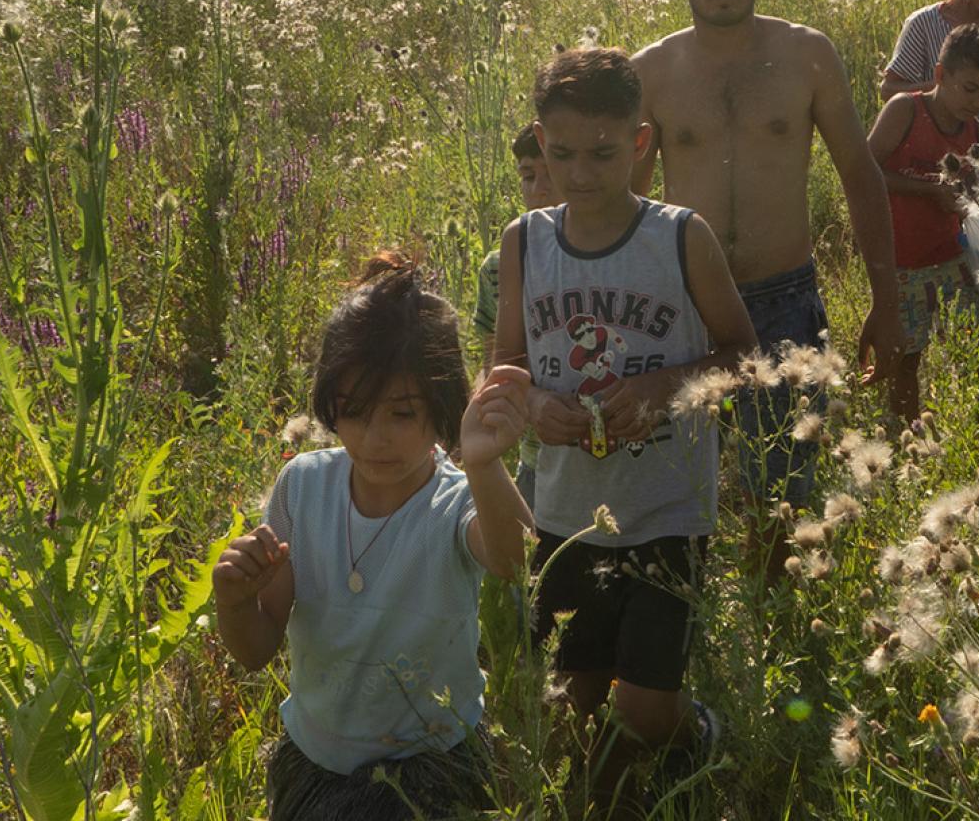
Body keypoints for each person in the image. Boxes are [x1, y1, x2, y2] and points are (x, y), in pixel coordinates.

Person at [493, 46, 758, 808]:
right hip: (565, 516)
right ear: (540, 142)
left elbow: (741, 352)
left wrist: (663, 384)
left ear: (640, 142)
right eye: (563, 152)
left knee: (643, 710)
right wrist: (533, 405)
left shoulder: (678, 236)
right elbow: (502, 366)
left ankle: (693, 731)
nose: (581, 172)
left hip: (666, 508)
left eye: (604, 153)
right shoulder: (524, 242)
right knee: (571, 711)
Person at [632, 0, 902, 581]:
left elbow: (860, 175)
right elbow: (627, 206)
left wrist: (886, 300)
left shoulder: (806, 55)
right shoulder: (651, 72)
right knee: (676, 489)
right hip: (683, 305)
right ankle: (690, 636)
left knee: (780, 491)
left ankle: (768, 618)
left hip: (783, 302)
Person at [213, 255, 533, 821]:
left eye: (402, 414)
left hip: (431, 762)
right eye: (355, 412)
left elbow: (513, 560)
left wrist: (485, 465)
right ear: (330, 405)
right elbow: (256, 650)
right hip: (317, 758)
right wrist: (234, 601)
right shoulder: (304, 487)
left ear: (442, 409)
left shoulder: (455, 500)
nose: (375, 437)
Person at [865, 24, 979, 419]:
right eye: (970, 89)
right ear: (941, 74)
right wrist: (928, 191)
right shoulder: (906, 110)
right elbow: (866, 170)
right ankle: (906, 437)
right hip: (903, 262)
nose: (978, 101)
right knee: (905, 360)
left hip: (956, 259)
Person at [473, 123, 561, 508]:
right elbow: (494, 365)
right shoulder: (497, 267)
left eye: (551, 174)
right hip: (536, 460)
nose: (539, 189)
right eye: (528, 175)